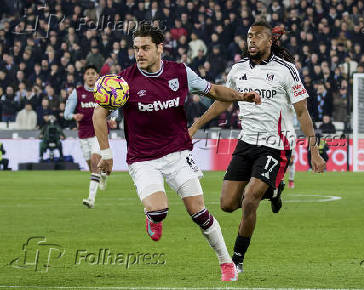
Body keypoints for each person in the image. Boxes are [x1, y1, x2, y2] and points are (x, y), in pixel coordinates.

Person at [92, 24, 261, 281]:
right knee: (160, 210)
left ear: (160, 48)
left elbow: (214, 90)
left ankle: (226, 263)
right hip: (144, 159)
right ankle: (154, 218)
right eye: (136, 48)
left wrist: (242, 96)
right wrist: (106, 153)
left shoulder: (180, 73)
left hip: (178, 153)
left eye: (145, 47)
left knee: (199, 213)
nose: (139, 53)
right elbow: (98, 114)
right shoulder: (124, 82)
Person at [189, 22, 326, 273]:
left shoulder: (286, 70)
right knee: (228, 204)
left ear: (270, 41)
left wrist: (314, 150)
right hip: (246, 142)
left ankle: (237, 260)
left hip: (276, 145)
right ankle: (273, 192)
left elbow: (302, 111)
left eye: (258, 36)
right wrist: (196, 125)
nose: (252, 40)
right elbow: (223, 102)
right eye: (249, 36)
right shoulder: (238, 70)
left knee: (250, 198)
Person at [65, 64, 117, 209]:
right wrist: (74, 116)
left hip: (99, 132)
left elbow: (115, 107)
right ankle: (103, 175)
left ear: (97, 76)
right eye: (87, 73)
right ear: (84, 76)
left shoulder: (103, 91)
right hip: (83, 134)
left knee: (95, 160)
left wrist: (113, 119)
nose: (90, 76)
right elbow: (66, 113)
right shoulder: (77, 93)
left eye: (93, 73)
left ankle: (91, 199)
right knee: (91, 166)